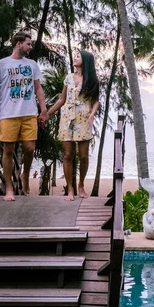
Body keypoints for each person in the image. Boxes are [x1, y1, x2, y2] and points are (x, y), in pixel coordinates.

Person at [0, 32, 49, 201]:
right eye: (28, 44)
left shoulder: (32, 65)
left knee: (30, 148)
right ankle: (8, 188)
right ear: (18, 44)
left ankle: (25, 175)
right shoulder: (1, 65)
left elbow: (38, 89)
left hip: (29, 113)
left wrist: (43, 110)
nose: (31, 47)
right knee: (8, 150)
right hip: (8, 114)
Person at [47, 49, 99, 201]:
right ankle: (70, 188)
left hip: (84, 118)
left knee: (83, 156)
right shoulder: (68, 78)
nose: (75, 58)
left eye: (78, 56)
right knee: (68, 155)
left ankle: (81, 184)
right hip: (67, 118)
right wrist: (47, 113)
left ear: (86, 61)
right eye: (75, 56)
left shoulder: (92, 79)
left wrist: (92, 115)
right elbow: (61, 99)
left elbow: (96, 100)